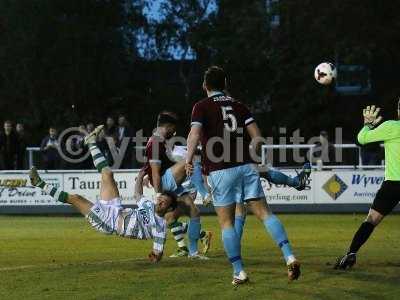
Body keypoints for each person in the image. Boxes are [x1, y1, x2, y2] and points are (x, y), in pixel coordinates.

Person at [185, 66, 301, 285]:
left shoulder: (201, 106)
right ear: (225, 84)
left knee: (226, 223)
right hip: (246, 166)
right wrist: (253, 159)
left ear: (205, 85)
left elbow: (194, 133)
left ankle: (239, 271)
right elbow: (257, 137)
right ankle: (289, 256)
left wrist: (188, 159)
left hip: (220, 170)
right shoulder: (239, 106)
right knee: (265, 214)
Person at [29, 125, 177, 262]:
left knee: (75, 198)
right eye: (160, 199)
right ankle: (91, 141)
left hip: (108, 222)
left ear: (169, 209)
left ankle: (39, 183)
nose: (160, 202)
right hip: (116, 209)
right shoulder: (149, 205)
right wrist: (140, 174)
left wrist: (153, 257)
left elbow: (157, 254)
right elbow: (138, 195)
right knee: (107, 173)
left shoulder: (160, 227)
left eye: (163, 202)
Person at [335, 104, 400, 269]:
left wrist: (368, 125)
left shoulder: (392, 126)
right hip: (392, 183)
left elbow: (361, 139)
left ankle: (351, 253)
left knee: (371, 220)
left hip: (393, 184)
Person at [143, 111, 212, 259]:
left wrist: (145, 175)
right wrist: (158, 195)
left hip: (170, 182)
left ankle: (193, 253)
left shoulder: (159, 141)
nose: (174, 132)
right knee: (189, 160)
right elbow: (156, 172)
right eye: (172, 128)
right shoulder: (155, 143)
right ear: (166, 126)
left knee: (194, 213)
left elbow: (155, 166)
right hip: (165, 183)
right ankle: (205, 193)